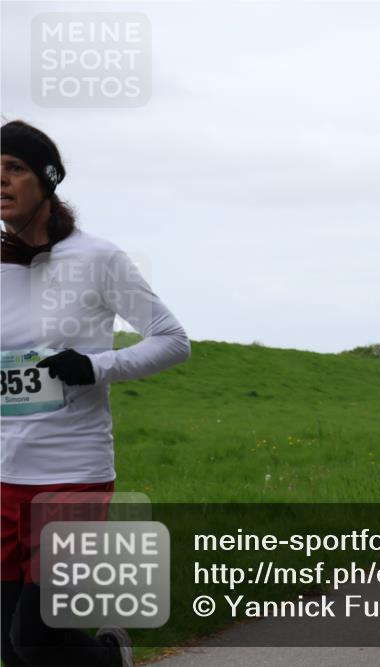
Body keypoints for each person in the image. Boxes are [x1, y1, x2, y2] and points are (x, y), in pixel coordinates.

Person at [1, 120, 190, 667]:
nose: (2, 182)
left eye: (14, 169)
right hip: (5, 476)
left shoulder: (96, 258)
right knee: (9, 649)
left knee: (37, 639)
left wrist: (96, 365)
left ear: (48, 179)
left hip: (71, 473)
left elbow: (173, 341)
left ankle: (111, 654)